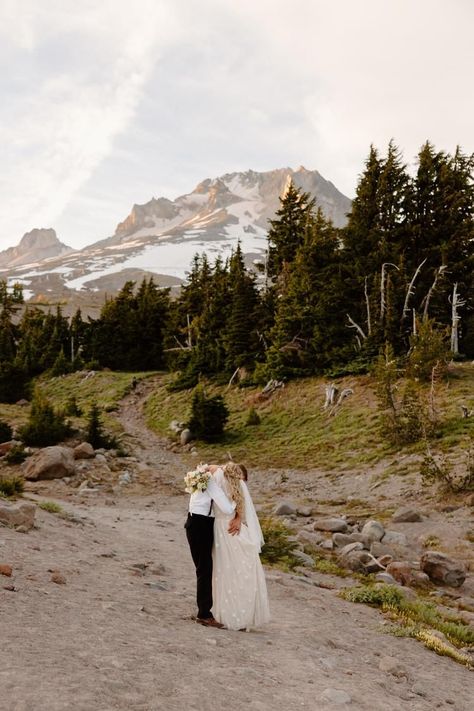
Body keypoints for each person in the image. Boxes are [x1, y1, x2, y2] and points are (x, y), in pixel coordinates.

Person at [212, 463, 270, 631]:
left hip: (225, 529)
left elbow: (241, 504)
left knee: (228, 571)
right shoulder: (219, 476)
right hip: (221, 528)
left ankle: (233, 615)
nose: (242, 482)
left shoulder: (228, 482)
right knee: (224, 571)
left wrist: (238, 517)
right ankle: (225, 613)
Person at [185, 468, 241, 628]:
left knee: (204, 568)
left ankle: (204, 610)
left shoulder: (203, 478)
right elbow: (227, 508)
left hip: (197, 522)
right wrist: (239, 500)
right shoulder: (210, 481)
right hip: (200, 525)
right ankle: (204, 614)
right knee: (204, 569)